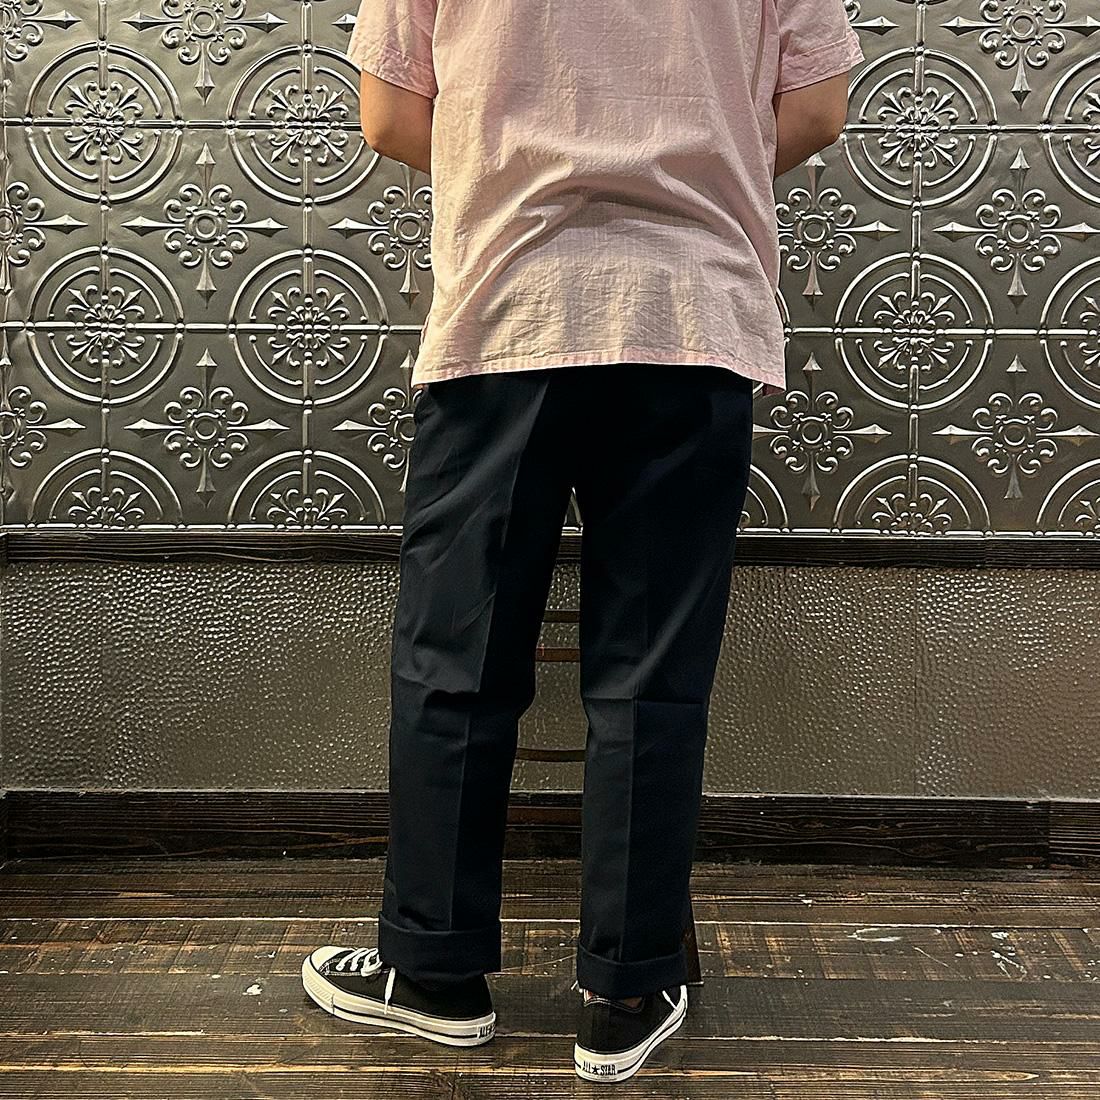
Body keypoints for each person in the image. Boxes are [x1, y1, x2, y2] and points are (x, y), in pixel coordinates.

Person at [301, 0, 864, 1083]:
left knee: (454, 660)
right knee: (650, 674)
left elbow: (388, 115)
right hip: (688, 312)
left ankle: (435, 972)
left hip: (506, 307)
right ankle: (626, 988)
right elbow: (816, 109)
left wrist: (523, 160)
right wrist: (680, 162)